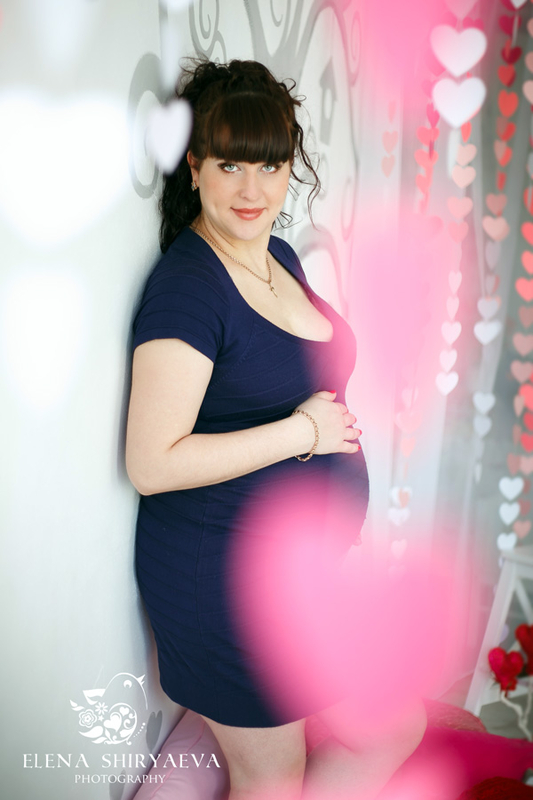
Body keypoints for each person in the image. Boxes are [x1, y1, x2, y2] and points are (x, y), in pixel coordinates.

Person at [126, 59, 426, 800]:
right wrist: (303, 435)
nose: (251, 190)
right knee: (272, 778)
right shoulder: (188, 291)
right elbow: (151, 463)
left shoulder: (275, 255)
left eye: (269, 166)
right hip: (222, 582)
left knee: (391, 724)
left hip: (294, 570)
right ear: (194, 166)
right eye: (229, 164)